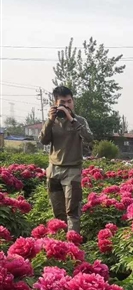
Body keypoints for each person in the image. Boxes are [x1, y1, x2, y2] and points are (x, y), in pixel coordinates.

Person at [39, 86, 93, 233]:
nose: (67, 105)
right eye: (63, 102)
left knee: (72, 211)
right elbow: (43, 140)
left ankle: (73, 246)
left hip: (72, 170)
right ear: (55, 103)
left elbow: (89, 138)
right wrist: (50, 120)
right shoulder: (51, 121)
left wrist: (71, 119)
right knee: (58, 212)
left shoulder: (79, 120)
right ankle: (59, 245)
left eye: (70, 101)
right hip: (54, 170)